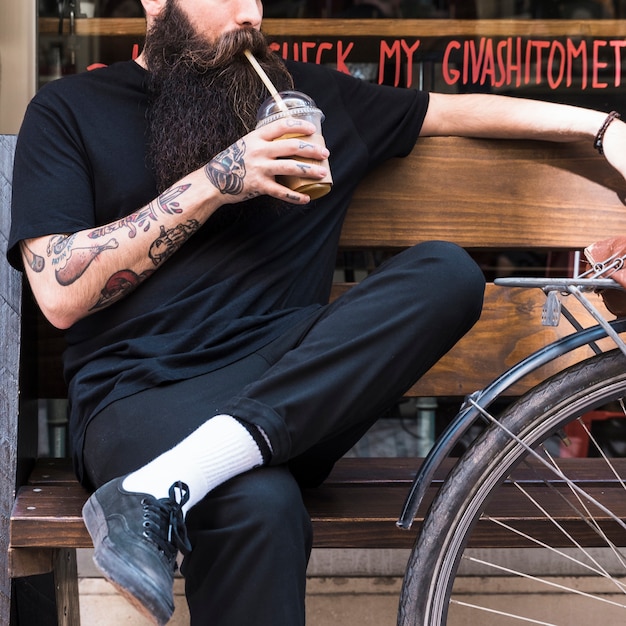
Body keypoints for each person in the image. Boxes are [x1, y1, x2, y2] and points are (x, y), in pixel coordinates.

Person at [8, 0, 626, 624]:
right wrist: (223, 178)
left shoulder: (309, 100)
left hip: (293, 389)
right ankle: (181, 474)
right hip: (138, 396)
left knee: (447, 272)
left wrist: (605, 128)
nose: (248, 11)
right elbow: (60, 297)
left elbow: (456, 109)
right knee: (259, 503)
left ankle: (168, 482)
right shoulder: (68, 112)